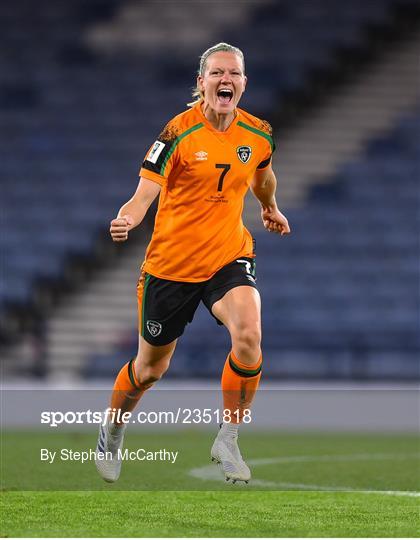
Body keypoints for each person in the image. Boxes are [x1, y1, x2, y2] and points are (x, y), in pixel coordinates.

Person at [95, 42, 290, 484]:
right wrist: (127, 218)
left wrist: (269, 206)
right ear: (201, 83)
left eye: (234, 74)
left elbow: (263, 173)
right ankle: (113, 428)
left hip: (228, 255)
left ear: (244, 83)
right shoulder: (176, 134)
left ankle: (229, 436)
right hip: (172, 267)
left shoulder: (258, 133)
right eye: (217, 73)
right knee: (150, 369)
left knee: (250, 334)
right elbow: (144, 192)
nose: (227, 80)